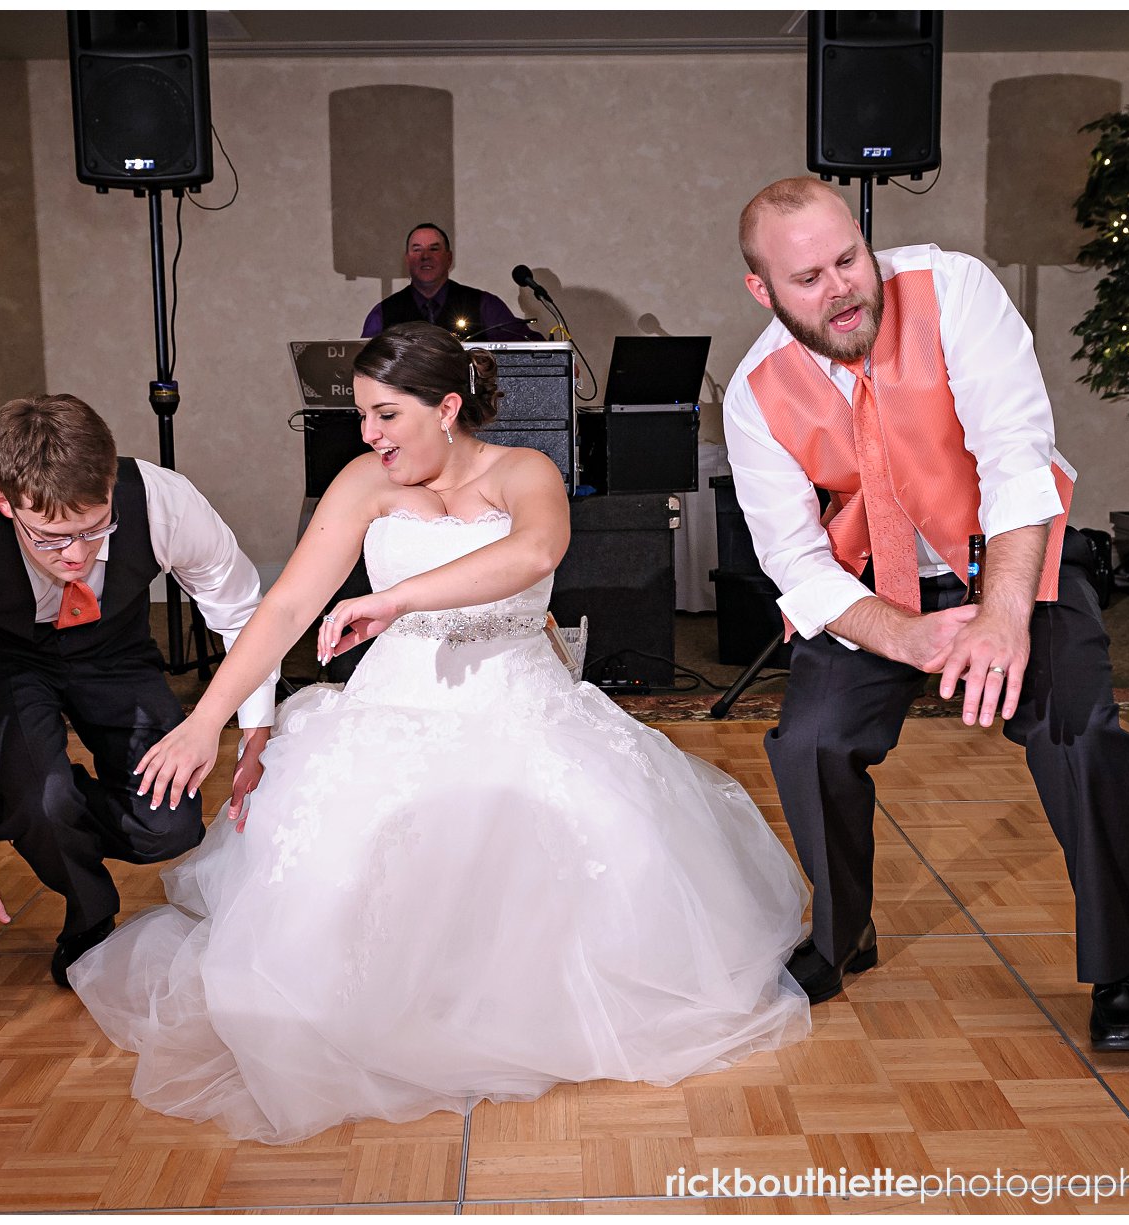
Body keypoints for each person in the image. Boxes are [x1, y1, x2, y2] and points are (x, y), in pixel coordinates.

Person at [67, 322, 811, 1145]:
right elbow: (283, 607)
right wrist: (208, 720)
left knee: (605, 850)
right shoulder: (363, 482)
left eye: (386, 415)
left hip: (522, 703)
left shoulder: (525, 472)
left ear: (448, 407)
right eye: (360, 415)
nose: (368, 434)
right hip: (395, 707)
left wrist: (398, 598)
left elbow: (534, 552)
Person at [722, 177, 1129, 1049]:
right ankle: (842, 933)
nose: (842, 287)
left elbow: (1016, 458)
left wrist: (1002, 614)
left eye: (849, 258)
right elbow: (796, 562)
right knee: (810, 741)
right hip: (878, 584)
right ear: (763, 291)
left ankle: (1121, 967)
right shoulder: (751, 393)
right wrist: (904, 633)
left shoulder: (955, 288)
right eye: (807, 278)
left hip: (1011, 549)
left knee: (1079, 730)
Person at [0, 394, 275, 986]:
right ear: (4, 503)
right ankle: (89, 916)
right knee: (44, 801)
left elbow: (245, 614)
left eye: (95, 529)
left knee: (169, 825)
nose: (78, 555)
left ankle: (3, 804)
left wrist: (255, 729)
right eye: (49, 538)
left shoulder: (163, 500)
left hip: (115, 652)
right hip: (7, 661)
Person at [361, 222, 538, 341]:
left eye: (434, 249)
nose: (425, 257)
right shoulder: (384, 313)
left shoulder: (484, 305)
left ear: (449, 258)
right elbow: (364, 366)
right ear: (407, 260)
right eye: (417, 250)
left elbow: (525, 348)